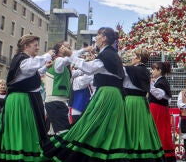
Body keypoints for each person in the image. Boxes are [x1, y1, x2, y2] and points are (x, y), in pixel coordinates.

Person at [44, 27, 129, 161]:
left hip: (107, 94)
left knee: (91, 125)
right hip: (113, 94)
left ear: (104, 38)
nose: (96, 38)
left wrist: (70, 54)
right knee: (106, 127)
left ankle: (79, 155)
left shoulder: (107, 55)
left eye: (98, 35)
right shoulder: (111, 54)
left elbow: (89, 69)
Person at [0, 34, 54, 161]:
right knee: (22, 129)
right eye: (35, 45)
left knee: (26, 129)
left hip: (24, 99)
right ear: (26, 46)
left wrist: (45, 67)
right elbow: (29, 67)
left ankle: (22, 155)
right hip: (20, 101)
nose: (38, 48)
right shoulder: (22, 59)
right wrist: (48, 55)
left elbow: (30, 74)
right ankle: (20, 156)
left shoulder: (24, 60)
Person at [123, 48, 164, 161]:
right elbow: (153, 90)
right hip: (142, 102)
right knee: (142, 128)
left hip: (130, 101)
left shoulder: (128, 70)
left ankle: (130, 152)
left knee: (130, 126)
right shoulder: (146, 71)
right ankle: (144, 152)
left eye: (134, 55)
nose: (132, 57)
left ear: (139, 58)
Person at [43, 41, 73, 135]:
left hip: (55, 101)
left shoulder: (61, 65)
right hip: (56, 102)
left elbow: (77, 73)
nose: (67, 49)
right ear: (58, 51)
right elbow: (70, 59)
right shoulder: (59, 61)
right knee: (63, 132)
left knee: (52, 133)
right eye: (64, 47)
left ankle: (48, 149)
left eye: (68, 47)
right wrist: (84, 50)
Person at [149, 61, 176, 162]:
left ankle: (163, 155)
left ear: (159, 70)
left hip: (159, 110)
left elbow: (160, 95)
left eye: (153, 69)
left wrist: (150, 84)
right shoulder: (159, 81)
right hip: (157, 109)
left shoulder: (162, 82)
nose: (152, 71)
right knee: (159, 131)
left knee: (160, 131)